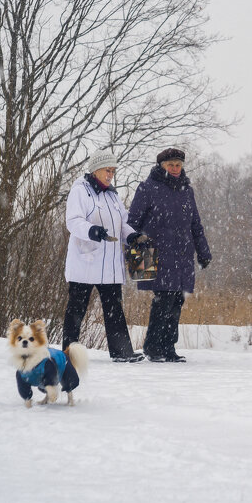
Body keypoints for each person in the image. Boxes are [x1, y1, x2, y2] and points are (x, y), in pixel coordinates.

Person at [127, 147, 211, 362]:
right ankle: (153, 347)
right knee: (162, 300)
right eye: (170, 165)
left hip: (182, 254)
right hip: (154, 252)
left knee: (176, 301)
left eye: (178, 165)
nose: (175, 168)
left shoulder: (186, 190)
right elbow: (133, 222)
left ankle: (168, 348)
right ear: (161, 166)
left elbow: (195, 224)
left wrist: (203, 251)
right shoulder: (148, 188)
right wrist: (135, 253)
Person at [62, 149, 145, 363]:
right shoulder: (80, 190)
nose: (110, 175)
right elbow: (73, 220)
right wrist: (91, 230)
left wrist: (132, 236)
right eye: (107, 170)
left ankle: (121, 352)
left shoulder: (112, 195)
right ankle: (68, 352)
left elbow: (122, 223)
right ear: (95, 170)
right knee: (76, 310)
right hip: (85, 261)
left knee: (114, 308)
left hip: (109, 264)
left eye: (113, 171)